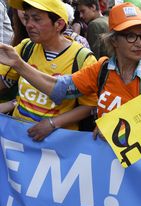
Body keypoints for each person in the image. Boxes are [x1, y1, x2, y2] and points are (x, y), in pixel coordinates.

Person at [0, 3, 141, 138]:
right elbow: (60, 89)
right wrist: (18, 65)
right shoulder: (101, 68)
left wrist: (115, 129)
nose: (140, 43)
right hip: (100, 155)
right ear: (114, 41)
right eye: (131, 36)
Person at [0, 0, 97, 141]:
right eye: (27, 18)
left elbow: (89, 106)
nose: (29, 25)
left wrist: (53, 124)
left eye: (37, 19)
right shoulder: (26, 47)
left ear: (59, 24)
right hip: (17, 139)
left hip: (57, 145)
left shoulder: (82, 58)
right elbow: (3, 81)